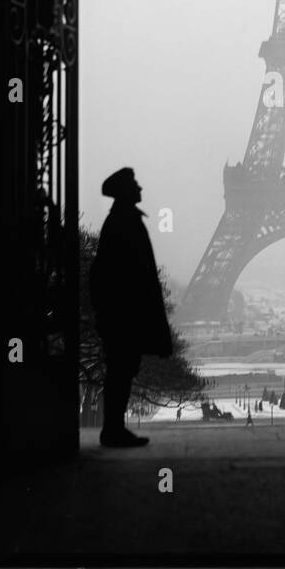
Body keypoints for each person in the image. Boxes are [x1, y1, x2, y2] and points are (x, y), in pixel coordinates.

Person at [90, 167, 174, 448]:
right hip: (125, 314)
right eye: (135, 184)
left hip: (121, 312)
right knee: (121, 370)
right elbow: (133, 272)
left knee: (121, 370)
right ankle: (113, 429)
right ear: (125, 191)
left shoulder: (120, 219)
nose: (140, 188)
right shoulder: (124, 220)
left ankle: (113, 428)